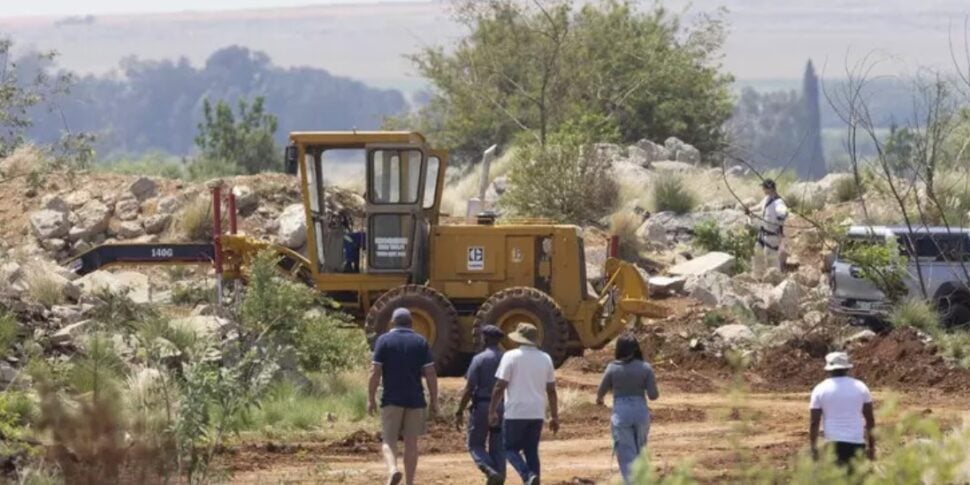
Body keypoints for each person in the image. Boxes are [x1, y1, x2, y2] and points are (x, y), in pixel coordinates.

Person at [368, 308, 439, 485]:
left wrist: (370, 398)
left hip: (391, 398)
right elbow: (430, 373)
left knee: (388, 440)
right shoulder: (420, 342)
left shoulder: (383, 341)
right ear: (411, 323)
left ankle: (392, 470)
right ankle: (410, 482)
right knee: (411, 443)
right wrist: (434, 400)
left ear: (392, 322)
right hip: (415, 399)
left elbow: (375, 372)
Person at [488, 323, 559, 485]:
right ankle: (534, 479)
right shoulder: (545, 358)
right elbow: (552, 390)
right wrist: (554, 416)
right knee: (531, 451)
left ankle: (527, 476)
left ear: (519, 339)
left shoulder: (510, 356)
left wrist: (492, 410)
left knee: (509, 449)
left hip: (516, 412)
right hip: (536, 413)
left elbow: (500, 386)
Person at [596, 334, 659, 484]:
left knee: (626, 454)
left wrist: (600, 400)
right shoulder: (645, 368)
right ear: (636, 348)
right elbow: (653, 395)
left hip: (621, 412)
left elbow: (600, 392)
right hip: (641, 412)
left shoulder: (612, 368)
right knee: (641, 450)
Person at [456, 325, 507, 485]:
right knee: (498, 446)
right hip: (502, 407)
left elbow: (469, 388)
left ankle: (490, 470)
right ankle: (499, 476)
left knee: (475, 444)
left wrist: (460, 410)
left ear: (486, 339)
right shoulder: (507, 359)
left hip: (483, 406)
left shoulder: (479, 359)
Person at [809, 352, 876, 469]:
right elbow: (870, 420)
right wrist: (871, 447)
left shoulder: (819, 389)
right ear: (847, 368)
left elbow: (814, 422)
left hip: (832, 445)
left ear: (828, 369)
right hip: (856, 443)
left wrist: (813, 448)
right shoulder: (861, 387)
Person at [747, 178, 789, 278]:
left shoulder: (779, 202)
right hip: (762, 233)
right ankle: (758, 276)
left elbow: (783, 213)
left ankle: (775, 279)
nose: (763, 190)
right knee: (758, 255)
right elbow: (759, 207)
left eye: (764, 188)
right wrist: (750, 210)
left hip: (772, 235)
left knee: (772, 259)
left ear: (769, 189)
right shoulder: (766, 199)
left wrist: (780, 216)